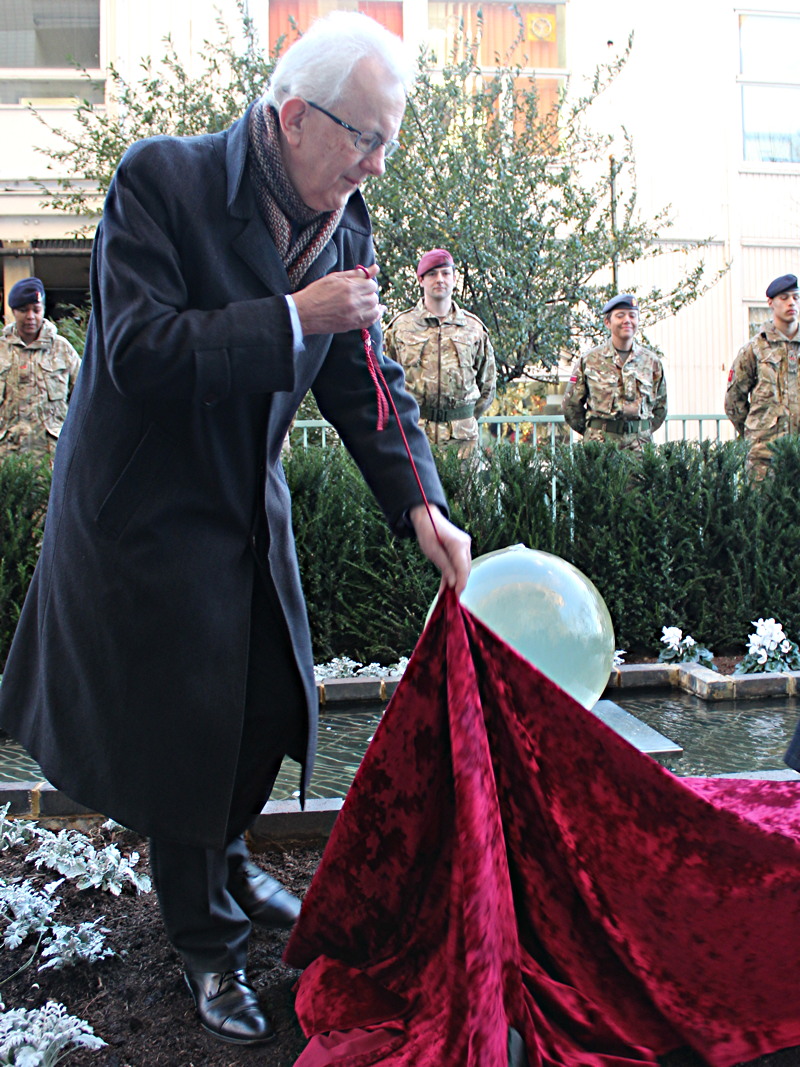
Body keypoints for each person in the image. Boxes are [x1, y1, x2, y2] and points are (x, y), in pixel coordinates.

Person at [0, 13, 471, 1049]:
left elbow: (366, 381)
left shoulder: (345, 222)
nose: (376, 166)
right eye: (365, 138)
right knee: (185, 732)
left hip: (243, 503)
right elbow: (138, 351)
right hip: (142, 512)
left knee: (270, 701)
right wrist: (296, 314)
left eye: (388, 141)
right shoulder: (160, 182)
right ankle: (207, 942)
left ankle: (222, 858)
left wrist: (420, 502)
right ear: (294, 116)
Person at [383, 248, 496, 457]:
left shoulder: (474, 329)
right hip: (413, 435)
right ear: (421, 280)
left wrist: (463, 419)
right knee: (416, 491)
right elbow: (385, 384)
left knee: (463, 491)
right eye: (432, 274)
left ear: (454, 279)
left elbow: (487, 385)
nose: (439, 279)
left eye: (445, 273)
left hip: (462, 443)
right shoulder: (400, 328)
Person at [561, 293, 667, 452]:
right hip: (601, 446)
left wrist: (640, 431)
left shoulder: (652, 362)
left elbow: (661, 407)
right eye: (620, 316)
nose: (627, 321)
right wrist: (595, 431)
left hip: (640, 448)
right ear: (607, 322)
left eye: (632, 316)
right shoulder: (589, 360)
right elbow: (571, 406)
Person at [725, 273, 800, 476]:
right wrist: (757, 432)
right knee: (762, 508)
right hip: (765, 457)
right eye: (784, 298)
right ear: (771, 303)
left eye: (795, 297)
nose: (791, 303)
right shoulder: (754, 349)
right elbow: (734, 401)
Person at [0, 277, 81, 461]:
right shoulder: (1, 351)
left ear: (43, 310)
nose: (30, 316)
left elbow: (84, 397)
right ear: (13, 311)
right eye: (23, 310)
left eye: (36, 310)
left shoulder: (62, 349)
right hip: (7, 457)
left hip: (51, 456)